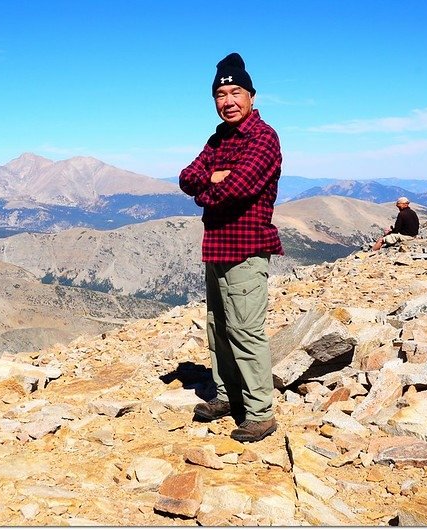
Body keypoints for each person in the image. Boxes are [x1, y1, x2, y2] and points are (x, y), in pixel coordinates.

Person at [179, 52, 283, 443]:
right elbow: (186, 178)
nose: (228, 101)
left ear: (252, 96)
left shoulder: (264, 137)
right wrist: (213, 178)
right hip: (216, 247)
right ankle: (225, 395)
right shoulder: (217, 138)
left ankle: (260, 412)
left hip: (246, 247)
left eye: (235, 91)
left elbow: (239, 188)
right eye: (221, 94)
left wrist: (212, 184)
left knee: (246, 330)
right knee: (218, 328)